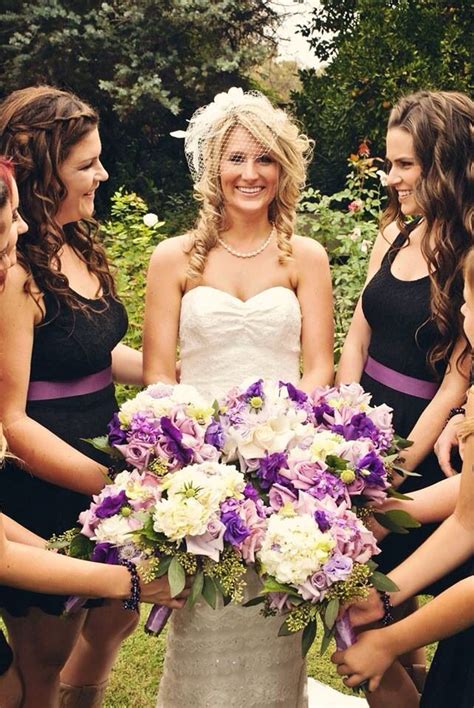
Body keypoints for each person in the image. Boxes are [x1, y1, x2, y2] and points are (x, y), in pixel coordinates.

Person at [143, 87, 339, 707]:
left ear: (284, 170)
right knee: (204, 633)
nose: (249, 174)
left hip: (285, 476)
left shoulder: (305, 258)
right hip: (197, 475)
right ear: (212, 168)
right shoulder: (172, 258)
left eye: (265, 160)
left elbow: (317, 368)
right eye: (236, 158)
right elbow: (156, 378)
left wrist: (289, 453)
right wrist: (188, 466)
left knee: (271, 625)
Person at [0, 157, 186, 707]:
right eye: (87, 162)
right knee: (34, 669)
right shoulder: (17, 277)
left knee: (110, 627)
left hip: (104, 459)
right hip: (48, 472)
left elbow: (91, 348)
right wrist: (112, 491)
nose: (104, 172)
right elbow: (14, 416)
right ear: (46, 173)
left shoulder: (79, 245)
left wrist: (178, 384)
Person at [336, 90, 473, 704]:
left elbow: (454, 383)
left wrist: (388, 477)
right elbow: (358, 331)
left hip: (423, 446)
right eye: (389, 165)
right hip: (362, 428)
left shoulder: (469, 258)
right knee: (361, 607)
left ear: (444, 165)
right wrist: (338, 431)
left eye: (405, 166)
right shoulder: (394, 234)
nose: (391, 180)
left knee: (388, 610)